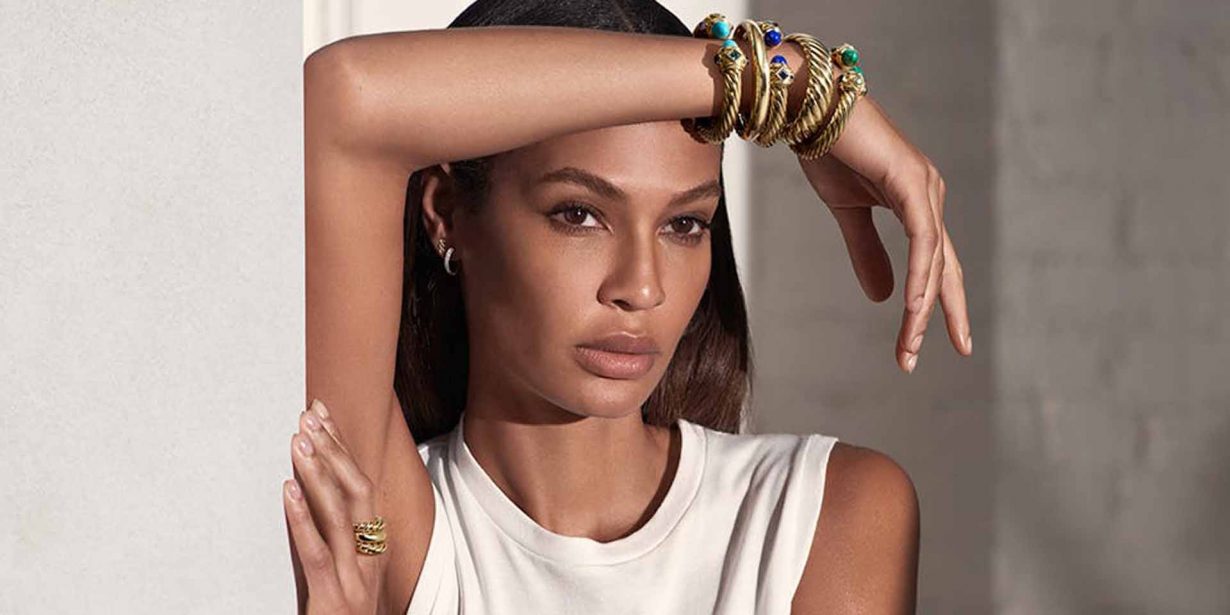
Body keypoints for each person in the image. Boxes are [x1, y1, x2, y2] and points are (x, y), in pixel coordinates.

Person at [282, 1, 971, 613]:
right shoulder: (385, 529)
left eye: (684, 225)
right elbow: (339, 103)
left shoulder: (822, 517)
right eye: (579, 214)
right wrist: (774, 81)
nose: (642, 287)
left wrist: (767, 86)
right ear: (446, 213)